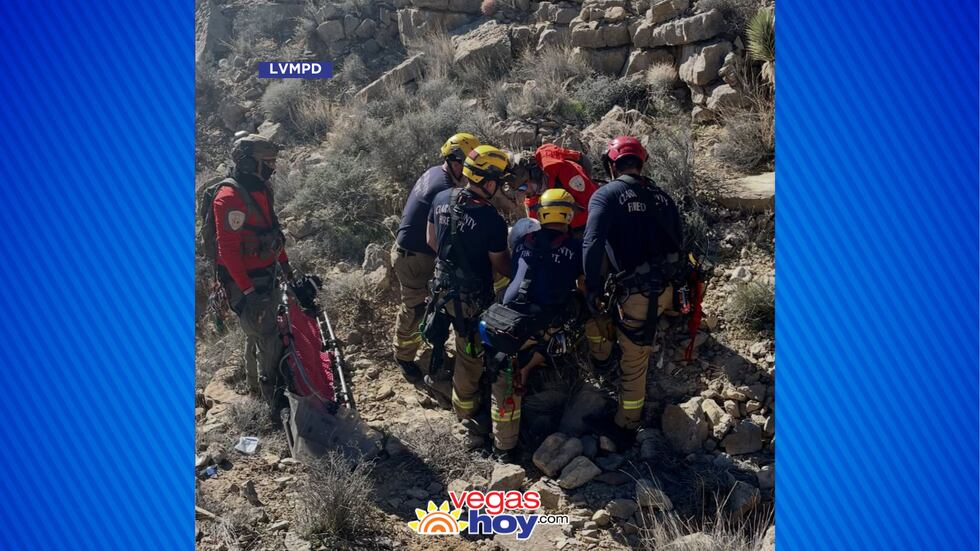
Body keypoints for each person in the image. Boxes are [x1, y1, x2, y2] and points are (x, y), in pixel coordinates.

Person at [582, 136, 684, 437]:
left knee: (634, 362)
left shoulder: (606, 194)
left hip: (638, 295)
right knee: (633, 346)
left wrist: (592, 287)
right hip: (666, 290)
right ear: (641, 162)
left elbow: (592, 243)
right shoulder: (663, 196)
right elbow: (678, 242)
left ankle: (626, 425)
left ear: (612, 165)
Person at [484, 189, 584, 461]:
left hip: (506, 319)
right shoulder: (575, 248)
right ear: (568, 214)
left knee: (505, 373)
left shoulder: (524, 240)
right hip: (541, 323)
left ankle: (502, 449)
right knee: (575, 314)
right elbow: (584, 286)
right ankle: (530, 367)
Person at [426, 145, 512, 455]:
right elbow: (501, 264)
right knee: (469, 353)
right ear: (488, 182)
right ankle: (466, 410)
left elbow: (431, 240)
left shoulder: (441, 198)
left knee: (455, 338)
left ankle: (449, 384)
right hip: (471, 299)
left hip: (441, 287)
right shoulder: (490, 219)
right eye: (498, 181)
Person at [391, 133, 481, 383]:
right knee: (415, 308)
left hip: (412, 253)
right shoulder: (444, 187)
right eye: (467, 165)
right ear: (455, 162)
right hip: (415, 259)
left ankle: (423, 345)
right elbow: (438, 237)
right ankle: (404, 356)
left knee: (425, 304)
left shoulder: (435, 172)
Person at [212, 134, 293, 408]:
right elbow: (229, 252)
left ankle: (256, 389)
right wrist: (248, 293)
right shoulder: (229, 198)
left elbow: (272, 233)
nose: (272, 167)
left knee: (257, 333)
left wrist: (285, 265)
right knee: (266, 334)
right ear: (248, 164)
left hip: (265, 273)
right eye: (267, 162)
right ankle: (271, 402)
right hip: (244, 282)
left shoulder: (261, 188)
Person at [523, 144, 597, 235]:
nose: (524, 192)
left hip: (588, 222)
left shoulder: (567, 171)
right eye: (519, 189)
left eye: (523, 186)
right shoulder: (532, 195)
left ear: (535, 175)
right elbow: (535, 225)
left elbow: (594, 204)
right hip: (566, 228)